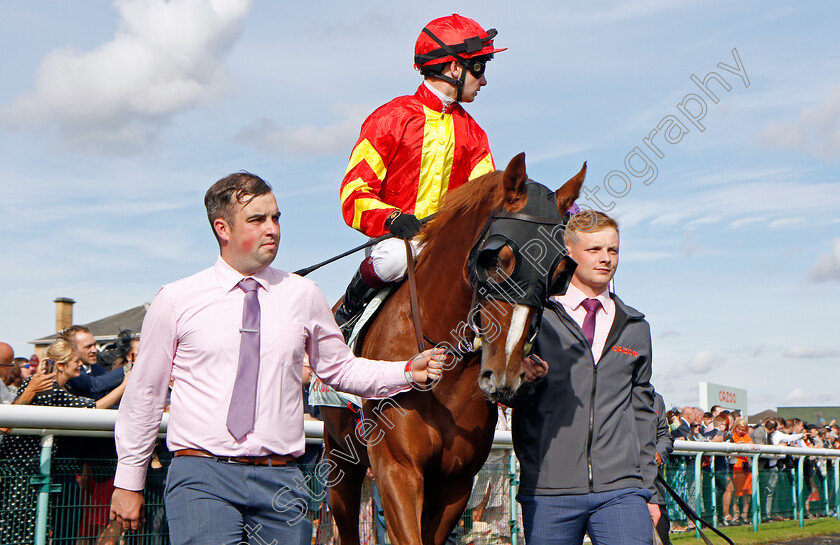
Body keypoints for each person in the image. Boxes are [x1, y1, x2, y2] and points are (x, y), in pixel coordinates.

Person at [109, 172, 444, 545]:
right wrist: (128, 481)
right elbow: (144, 396)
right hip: (201, 477)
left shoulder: (304, 294)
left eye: (276, 218)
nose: (272, 229)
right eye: (257, 220)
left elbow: (339, 367)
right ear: (222, 228)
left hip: (283, 482)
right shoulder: (174, 300)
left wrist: (406, 371)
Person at [334, 13, 505, 332]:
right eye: (479, 68)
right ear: (456, 68)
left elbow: (486, 204)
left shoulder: (475, 135)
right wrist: (392, 218)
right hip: (398, 240)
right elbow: (354, 194)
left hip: (452, 248)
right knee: (396, 258)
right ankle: (348, 313)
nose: (483, 81)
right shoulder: (390, 119)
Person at [510, 210, 657, 545]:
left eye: (613, 250)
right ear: (568, 251)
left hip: (622, 489)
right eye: (594, 250)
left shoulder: (636, 327)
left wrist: (647, 485)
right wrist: (524, 380)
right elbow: (505, 396)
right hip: (549, 491)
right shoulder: (536, 319)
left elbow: (643, 410)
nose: (606, 259)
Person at [0, 339, 128, 545]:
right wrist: (124, 384)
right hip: (22, 474)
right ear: (60, 365)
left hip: (32, 471)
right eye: (76, 361)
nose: (81, 366)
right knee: (21, 532)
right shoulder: (48, 388)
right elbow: (93, 408)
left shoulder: (59, 387)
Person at [63, 325, 126, 400]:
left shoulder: (97, 368)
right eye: (88, 347)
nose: (94, 350)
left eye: (94, 345)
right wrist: (128, 368)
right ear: (72, 349)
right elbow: (95, 385)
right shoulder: (70, 370)